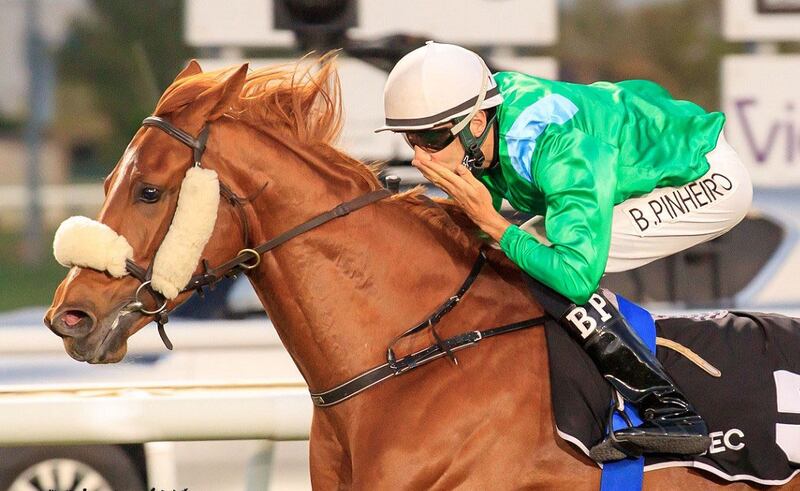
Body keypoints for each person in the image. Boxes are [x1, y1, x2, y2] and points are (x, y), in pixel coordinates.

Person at [376, 41, 753, 462]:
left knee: (543, 260)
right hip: (646, 144)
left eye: (429, 138)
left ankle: (671, 411)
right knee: (514, 249)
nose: (417, 157)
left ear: (476, 121)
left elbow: (576, 276)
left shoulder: (554, 148)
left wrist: (495, 224)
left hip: (705, 177)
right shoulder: (487, 119)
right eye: (410, 138)